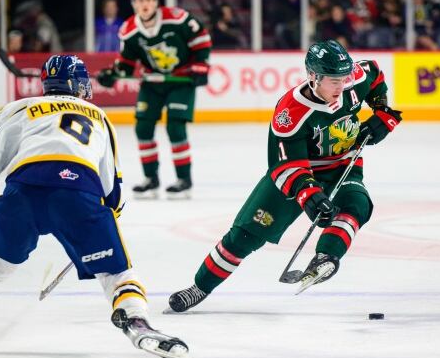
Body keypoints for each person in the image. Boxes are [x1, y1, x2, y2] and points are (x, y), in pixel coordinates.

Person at [0, 55, 191, 358]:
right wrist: (102, 223)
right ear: (76, 84)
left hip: (21, 195)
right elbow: (113, 193)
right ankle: (137, 323)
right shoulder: (98, 116)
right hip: (78, 195)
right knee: (115, 272)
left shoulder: (20, 107)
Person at [167, 39, 402, 312]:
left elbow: (374, 73)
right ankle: (199, 287)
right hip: (299, 174)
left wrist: (383, 112)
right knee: (244, 236)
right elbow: (286, 166)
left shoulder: (353, 80)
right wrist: (310, 195)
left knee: (357, 205)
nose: (342, 85)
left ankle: (325, 256)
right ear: (313, 77)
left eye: (344, 77)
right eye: (333, 80)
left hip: (342, 166)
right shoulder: (290, 113)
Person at [97, 0, 212, 199]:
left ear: (156, 2)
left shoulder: (176, 18)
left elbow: (201, 39)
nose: (145, 4)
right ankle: (151, 178)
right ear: (133, 4)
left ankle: (183, 179)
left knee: (175, 128)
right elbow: (127, 65)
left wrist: (201, 65)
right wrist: (111, 75)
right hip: (152, 83)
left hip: (181, 80)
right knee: (143, 128)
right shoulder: (129, 30)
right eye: (140, 0)